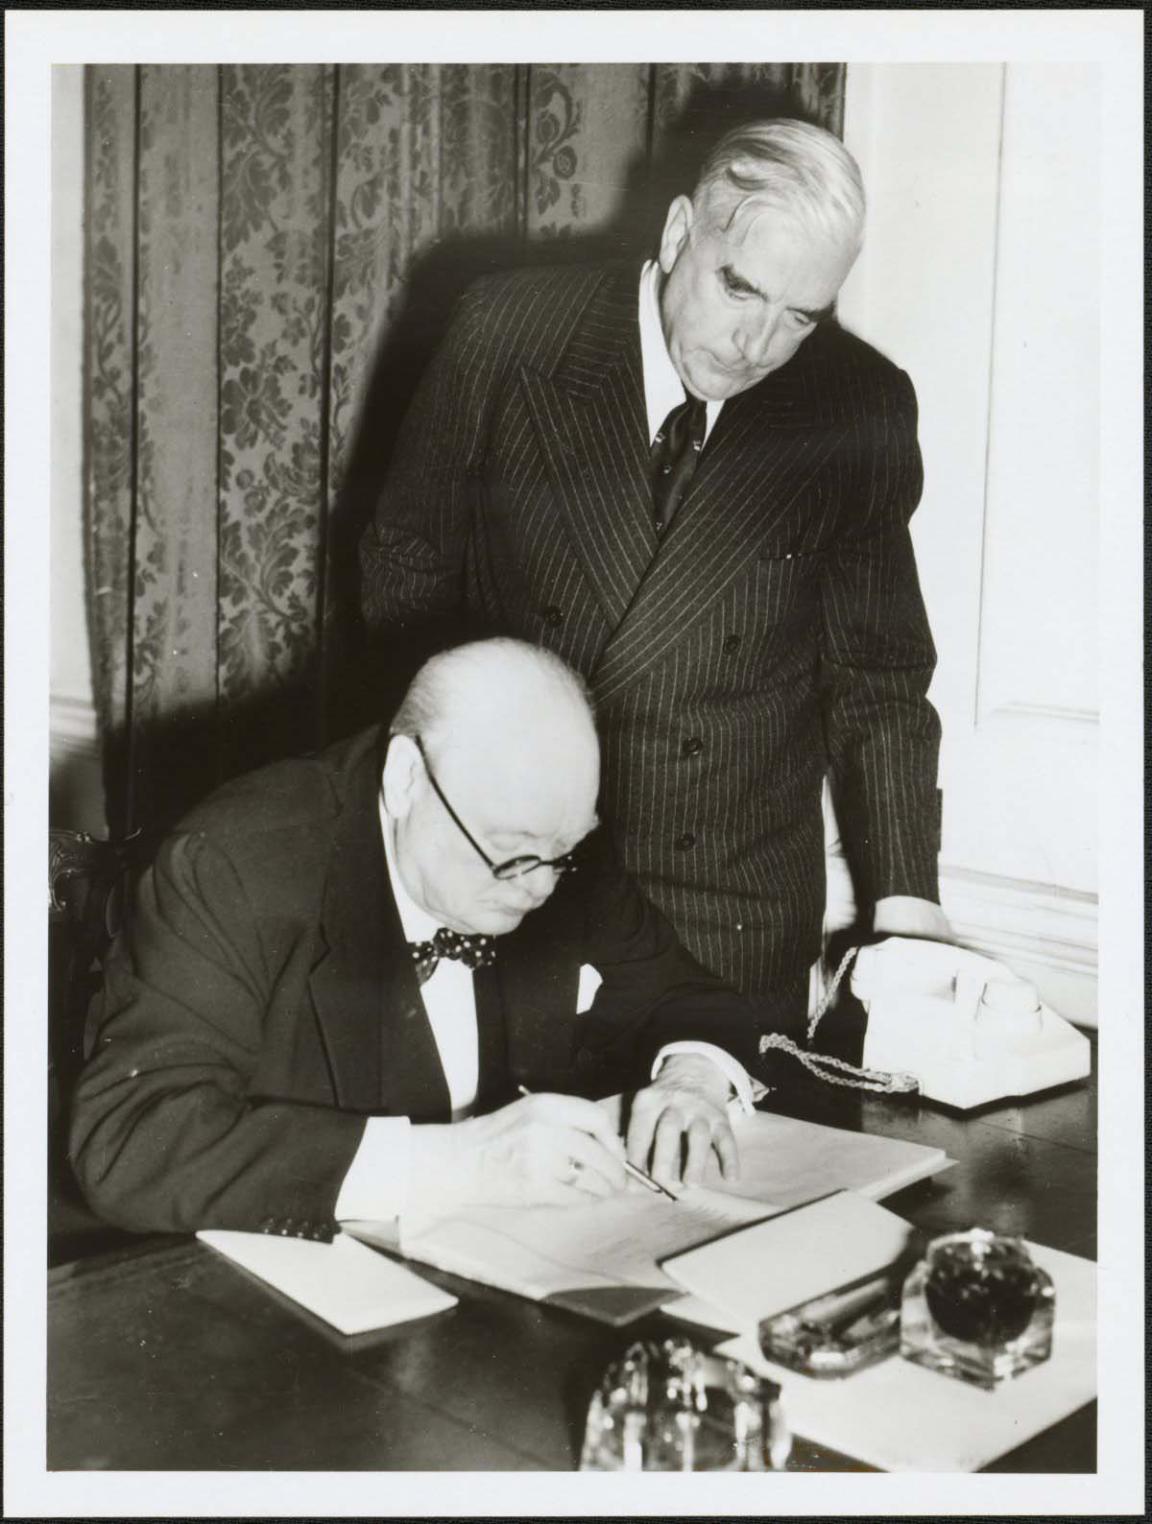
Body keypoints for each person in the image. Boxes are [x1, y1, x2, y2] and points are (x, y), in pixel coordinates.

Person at [359, 118, 952, 1029]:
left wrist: (908, 906)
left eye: (800, 317)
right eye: (739, 288)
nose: (756, 344)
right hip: (520, 884)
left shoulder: (855, 406)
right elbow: (407, 572)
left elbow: (878, 677)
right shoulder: (511, 332)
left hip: (730, 918)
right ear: (679, 233)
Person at [70, 639, 766, 1242]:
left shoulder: (550, 838)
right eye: (510, 854)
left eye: (564, 851)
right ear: (406, 778)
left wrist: (692, 1077)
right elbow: (130, 1141)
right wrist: (459, 1165)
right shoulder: (237, 864)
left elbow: (687, 995)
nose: (539, 888)